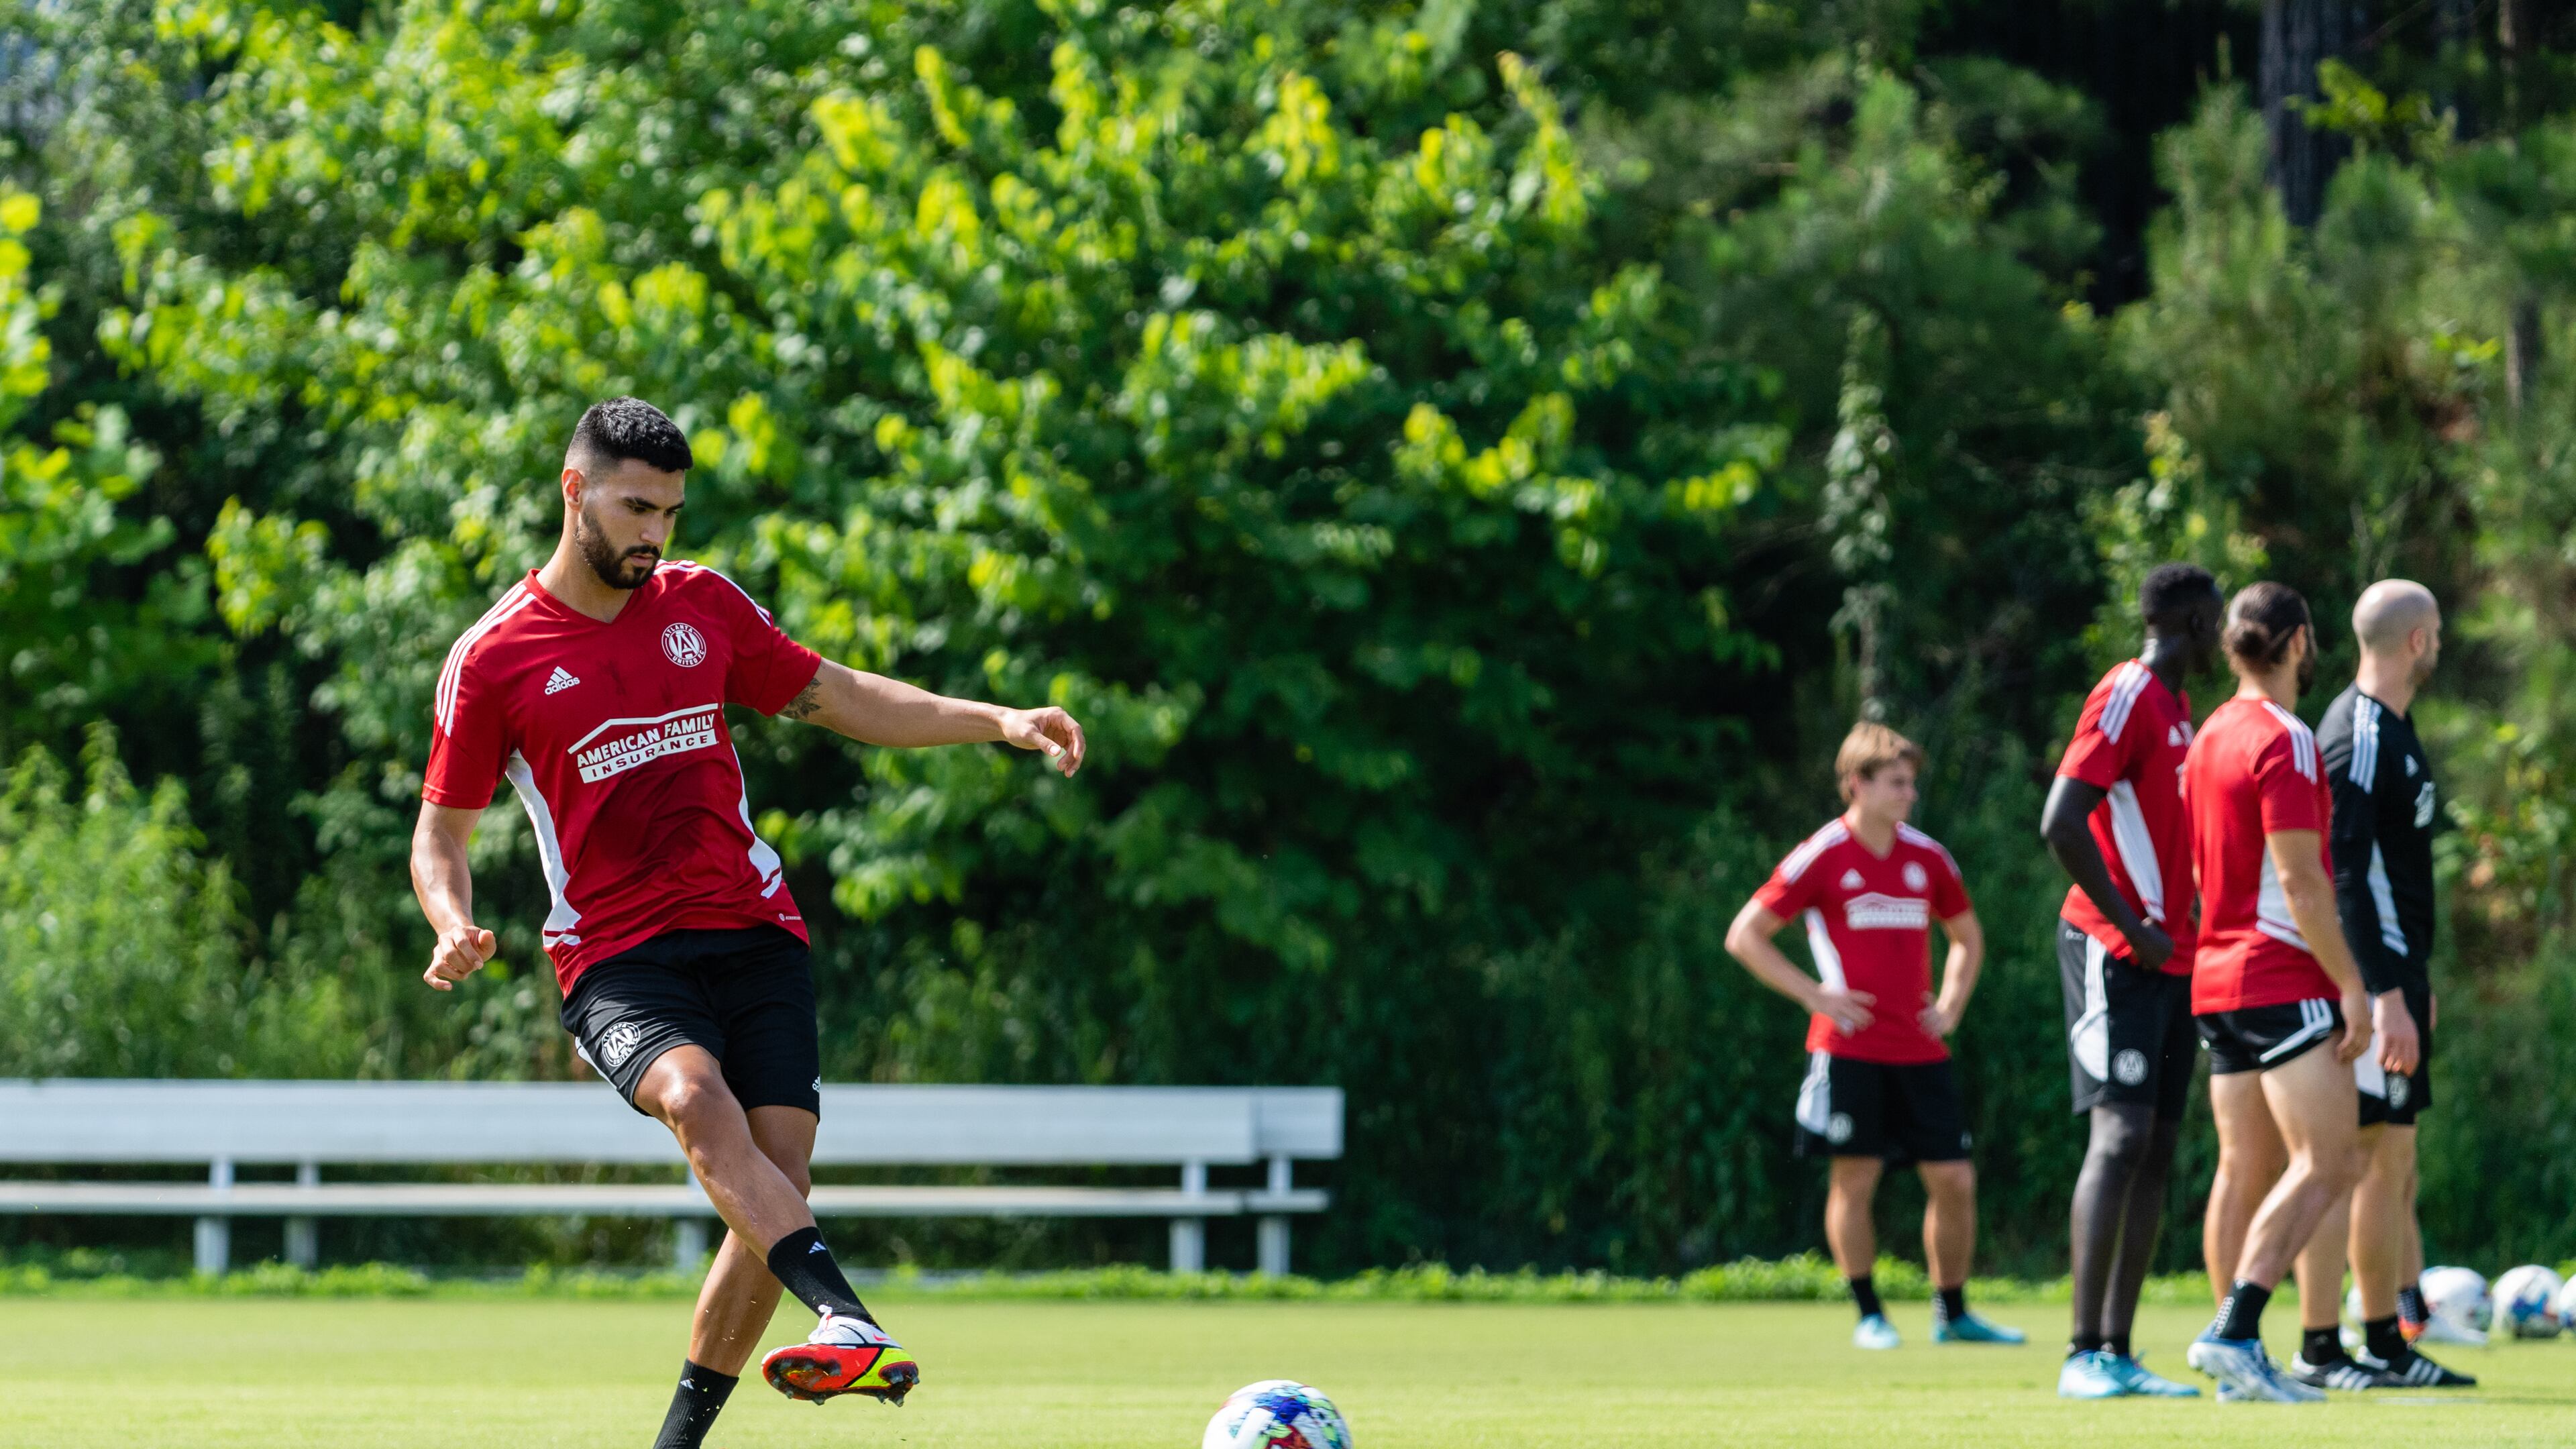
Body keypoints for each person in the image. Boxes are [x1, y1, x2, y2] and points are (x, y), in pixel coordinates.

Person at [409, 398, 1087, 1449]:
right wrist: (451, 920)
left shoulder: (703, 607)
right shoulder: (495, 656)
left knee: (776, 1184)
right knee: (691, 1094)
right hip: (617, 955)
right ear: (574, 490)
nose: (654, 534)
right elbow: (439, 834)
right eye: (637, 507)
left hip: (756, 929)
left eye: (671, 514)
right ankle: (847, 1313)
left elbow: (842, 696)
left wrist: (994, 720)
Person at [1725, 722, 2023, 1350]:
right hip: (1848, 1051)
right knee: (1855, 1181)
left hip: (1920, 1050)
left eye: (1911, 783)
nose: (1909, 794)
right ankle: (1869, 1314)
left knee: (1955, 1180)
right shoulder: (1822, 855)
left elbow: (1967, 937)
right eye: (1896, 783)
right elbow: (1745, 934)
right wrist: (1815, 996)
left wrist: (1951, 1003)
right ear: (1856, 785)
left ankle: (1953, 1312)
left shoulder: (1929, 858)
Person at [2180, 582, 2374, 1403]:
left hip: (2215, 978)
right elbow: (2300, 878)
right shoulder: (2284, 738)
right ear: (2298, 642)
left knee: (2244, 1167)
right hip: (2279, 972)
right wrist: (2351, 985)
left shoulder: (2207, 736)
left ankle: (2239, 1367)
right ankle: (2234, 1331)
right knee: (2331, 1159)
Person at [2282, 581, 2475, 1389]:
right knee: (2356, 1162)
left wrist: (2411, 981)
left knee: (2392, 1165)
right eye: (2435, 633)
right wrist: (2382, 992)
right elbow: (2344, 875)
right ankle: (2329, 1345)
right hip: (2372, 984)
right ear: (2418, 642)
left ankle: (2386, 1342)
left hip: (2400, 973)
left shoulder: (2394, 727)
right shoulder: (2357, 731)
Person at [2038, 563, 2222, 1399]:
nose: (2222, 635)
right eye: (2215, 619)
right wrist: (2136, 924)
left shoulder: (2183, 708)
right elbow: (2062, 822)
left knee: (2156, 1147)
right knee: (2115, 1140)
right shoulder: (2127, 691)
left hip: (2174, 959)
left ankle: (2117, 1350)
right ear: (2191, 619)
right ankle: (2082, 1354)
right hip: (2116, 951)